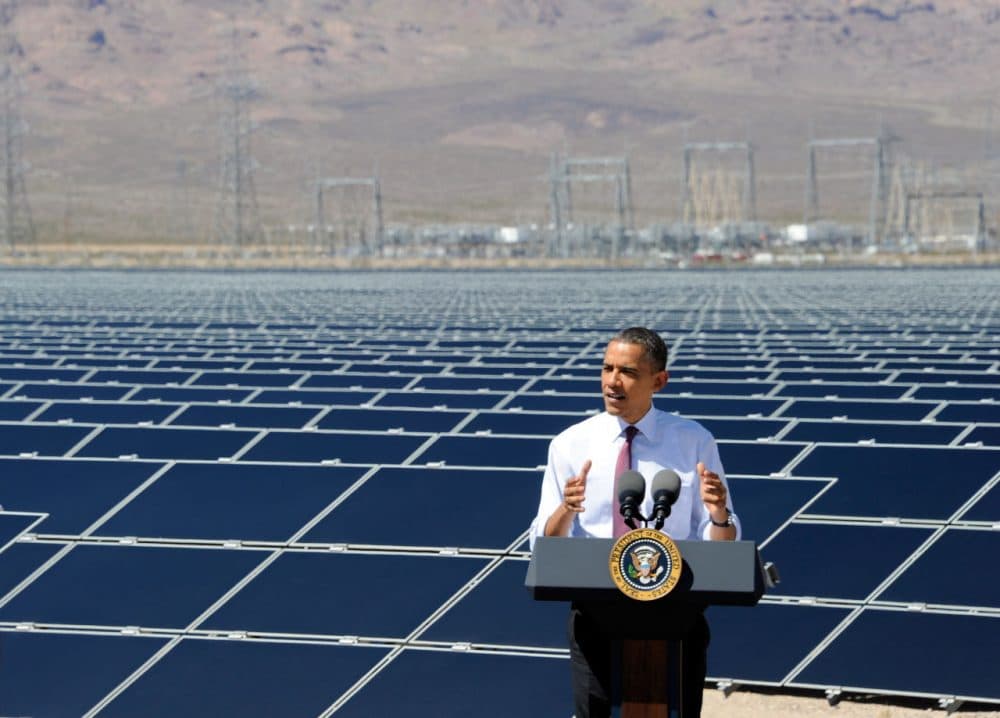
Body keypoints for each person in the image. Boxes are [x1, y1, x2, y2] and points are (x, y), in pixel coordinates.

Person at [530, 326, 740, 718]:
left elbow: (719, 542)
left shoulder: (694, 441)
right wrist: (566, 509)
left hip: (676, 612)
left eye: (627, 372)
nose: (612, 381)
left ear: (659, 381)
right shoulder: (571, 443)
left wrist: (719, 515)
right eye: (606, 368)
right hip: (596, 615)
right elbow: (545, 542)